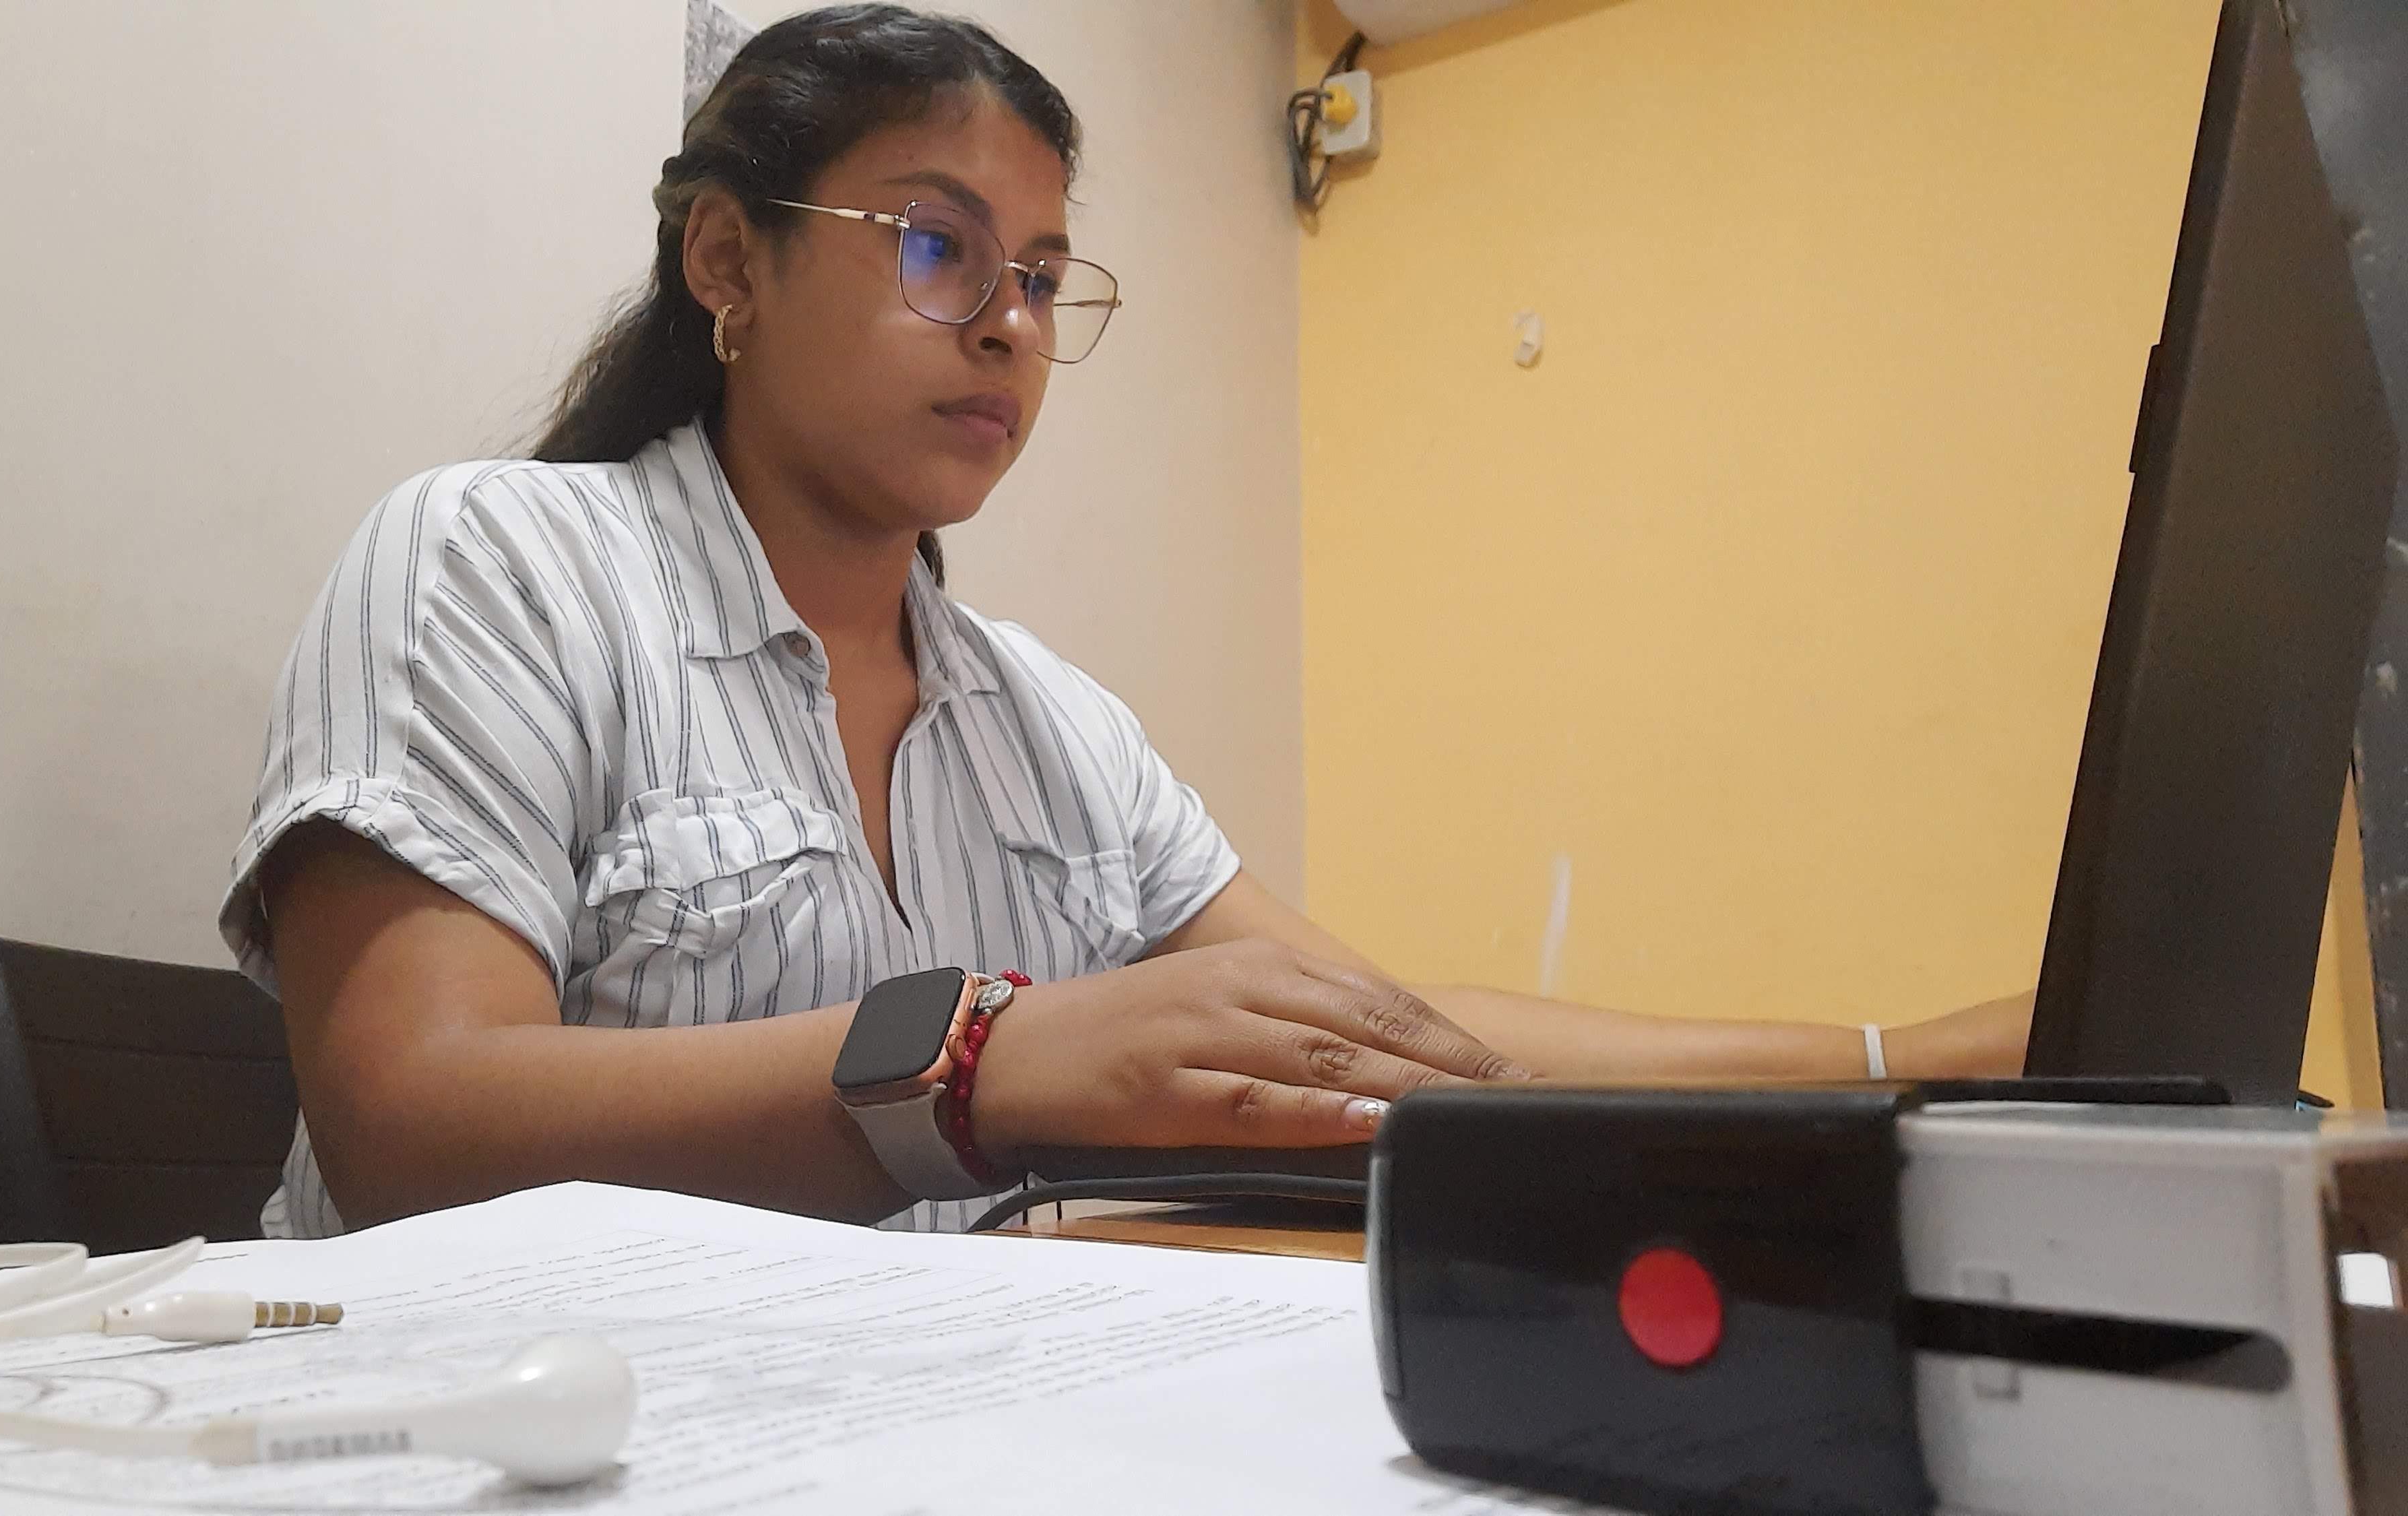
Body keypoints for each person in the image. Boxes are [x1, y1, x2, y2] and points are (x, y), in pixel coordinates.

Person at [224, 3, 2031, 1240]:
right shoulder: (499, 563)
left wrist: (1900, 1061)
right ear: (725, 260)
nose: (1008, 323)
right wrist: (979, 1062)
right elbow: (409, 1121)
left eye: (1036, 275)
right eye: (935, 246)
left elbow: (1380, 1035)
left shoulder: (1051, 724)